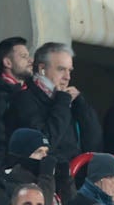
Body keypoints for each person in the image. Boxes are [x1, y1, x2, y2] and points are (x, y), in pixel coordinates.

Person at [6, 42, 102, 179]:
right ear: (42, 69)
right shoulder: (24, 99)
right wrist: (62, 102)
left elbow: (95, 144)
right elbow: (45, 143)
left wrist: (81, 104)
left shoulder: (67, 100)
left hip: (73, 177)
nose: (67, 77)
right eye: (61, 69)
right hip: (44, 179)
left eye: (70, 71)